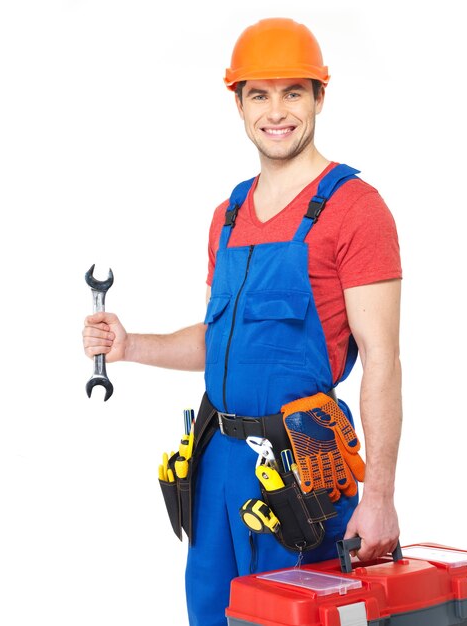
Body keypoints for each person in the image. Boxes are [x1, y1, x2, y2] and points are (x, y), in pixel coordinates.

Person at [82, 17, 402, 626]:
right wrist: (129, 345)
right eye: (259, 93)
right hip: (216, 466)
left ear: (319, 97)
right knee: (211, 614)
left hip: (300, 466)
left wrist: (381, 495)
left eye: (293, 92)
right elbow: (215, 339)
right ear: (238, 102)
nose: (275, 111)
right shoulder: (227, 214)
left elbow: (383, 360)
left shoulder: (356, 210)